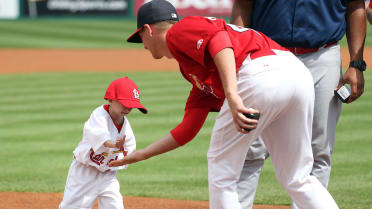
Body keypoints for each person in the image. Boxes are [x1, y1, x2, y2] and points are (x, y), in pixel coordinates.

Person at [109, 0, 340, 208]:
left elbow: (220, 40)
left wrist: (232, 94)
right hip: (296, 74)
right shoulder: (194, 71)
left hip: (260, 71)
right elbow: (187, 130)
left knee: (222, 171)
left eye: (141, 38)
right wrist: (142, 155)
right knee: (297, 177)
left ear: (148, 30)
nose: (143, 45)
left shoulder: (178, 31)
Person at [230, 0, 367, 209]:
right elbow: (242, 5)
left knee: (317, 149)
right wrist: (239, 61)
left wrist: (357, 63)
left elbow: (356, 7)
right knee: (250, 147)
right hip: (266, 54)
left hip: (322, 56)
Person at [59, 77, 147, 209]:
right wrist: (114, 145)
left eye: (131, 106)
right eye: (124, 104)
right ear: (111, 99)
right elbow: (100, 136)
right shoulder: (99, 115)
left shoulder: (126, 125)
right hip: (85, 172)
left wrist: (123, 159)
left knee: (115, 206)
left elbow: (129, 148)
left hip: (108, 175)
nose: (128, 108)